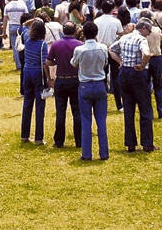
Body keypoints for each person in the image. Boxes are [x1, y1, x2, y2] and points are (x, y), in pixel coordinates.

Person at [109, 19, 158, 153]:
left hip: (124, 72)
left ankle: (130, 143)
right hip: (138, 74)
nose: (148, 35)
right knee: (145, 108)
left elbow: (111, 49)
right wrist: (142, 65)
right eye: (148, 32)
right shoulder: (141, 40)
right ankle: (147, 143)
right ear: (143, 29)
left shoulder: (125, 38)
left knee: (128, 109)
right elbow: (147, 54)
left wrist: (120, 61)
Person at [70, 21, 109, 161]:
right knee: (101, 121)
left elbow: (74, 63)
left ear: (84, 34)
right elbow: (105, 63)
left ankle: (87, 154)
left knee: (86, 121)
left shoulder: (79, 50)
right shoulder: (103, 48)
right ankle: (104, 153)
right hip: (99, 84)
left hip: (85, 85)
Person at [45, 21, 83, 149]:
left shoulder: (56, 44)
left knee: (60, 112)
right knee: (77, 111)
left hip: (61, 80)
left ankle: (59, 141)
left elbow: (48, 62)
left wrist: (58, 62)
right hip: (75, 80)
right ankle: (79, 140)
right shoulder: (79, 45)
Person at [20, 18, 49, 145]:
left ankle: (24, 135)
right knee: (39, 105)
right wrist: (48, 78)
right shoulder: (43, 44)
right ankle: (38, 138)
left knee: (27, 103)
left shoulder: (27, 40)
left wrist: (31, 20)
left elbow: (22, 26)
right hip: (37, 73)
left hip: (27, 72)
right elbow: (44, 64)